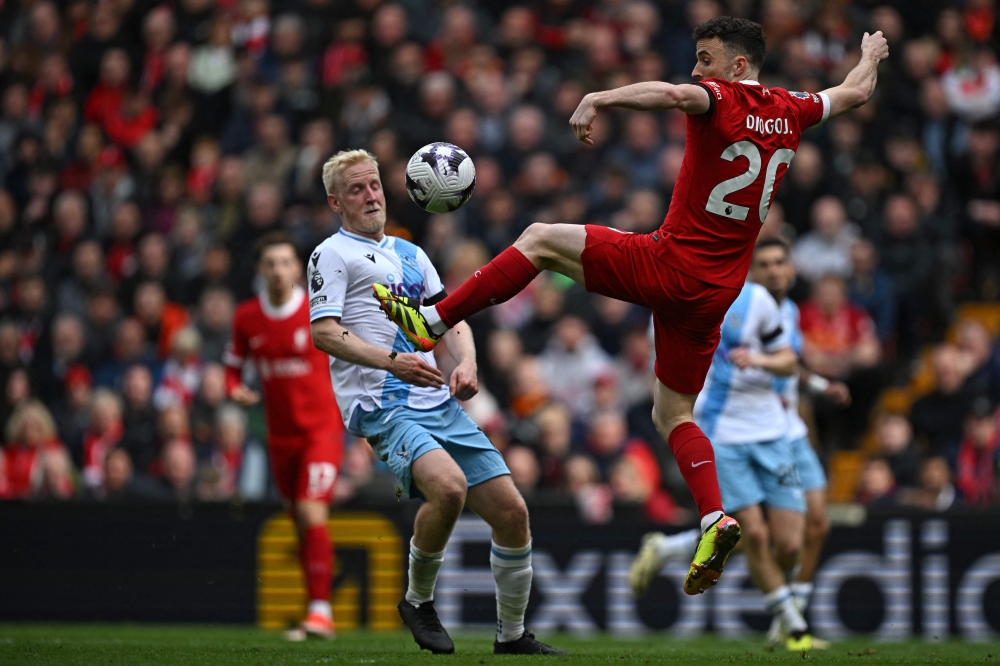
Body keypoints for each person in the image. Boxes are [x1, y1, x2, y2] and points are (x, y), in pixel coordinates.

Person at [374, 17, 890, 595]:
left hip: (671, 265)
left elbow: (672, 94)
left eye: (706, 58)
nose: (697, 69)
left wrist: (600, 96)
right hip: (718, 290)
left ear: (738, 66)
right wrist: (870, 54)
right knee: (673, 415)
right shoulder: (793, 107)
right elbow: (854, 91)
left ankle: (433, 319)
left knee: (540, 238)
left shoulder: (718, 98)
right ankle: (714, 516)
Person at [307, 149, 566, 656]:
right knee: (447, 489)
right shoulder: (330, 254)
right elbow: (324, 334)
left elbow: (454, 318)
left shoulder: (411, 254)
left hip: (436, 400)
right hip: (383, 403)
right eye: (356, 189)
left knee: (512, 513)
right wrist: (391, 361)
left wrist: (466, 363)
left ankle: (511, 637)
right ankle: (417, 601)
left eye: (375, 185)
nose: (371, 196)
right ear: (335, 201)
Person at [634, 276, 819, 651]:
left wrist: (764, 363)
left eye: (777, 264)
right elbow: (665, 366)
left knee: (790, 543)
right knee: (751, 533)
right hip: (720, 433)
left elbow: (788, 361)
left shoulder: (762, 301)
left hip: (774, 434)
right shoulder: (678, 295)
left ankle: (668, 548)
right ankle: (793, 627)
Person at [224, 231, 344, 640]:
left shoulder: (319, 312)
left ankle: (320, 613)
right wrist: (234, 390)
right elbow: (232, 367)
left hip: (322, 433)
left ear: (298, 268)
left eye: (286, 262)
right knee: (298, 520)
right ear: (261, 269)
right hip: (280, 438)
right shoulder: (246, 318)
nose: (278, 270)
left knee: (311, 512)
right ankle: (316, 606)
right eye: (270, 263)